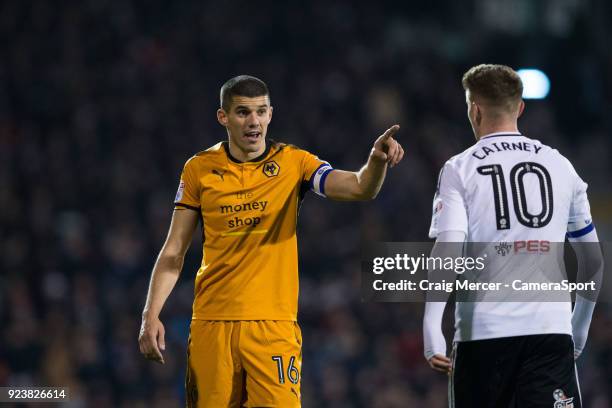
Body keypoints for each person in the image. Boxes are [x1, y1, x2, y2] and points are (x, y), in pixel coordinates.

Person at [138, 75, 404, 407]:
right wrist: (151, 314)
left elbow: (359, 187)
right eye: (243, 112)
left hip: (273, 328)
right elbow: (174, 250)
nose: (253, 121)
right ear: (224, 117)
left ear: (270, 115)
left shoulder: (295, 164)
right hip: (212, 325)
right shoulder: (199, 169)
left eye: (260, 112)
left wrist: (376, 162)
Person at [423, 64, 603, 407]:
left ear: (474, 108)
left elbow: (448, 250)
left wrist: (432, 326)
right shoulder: (560, 165)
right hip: (549, 332)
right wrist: (577, 329)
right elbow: (592, 260)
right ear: (520, 108)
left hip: (483, 335)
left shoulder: (459, 168)